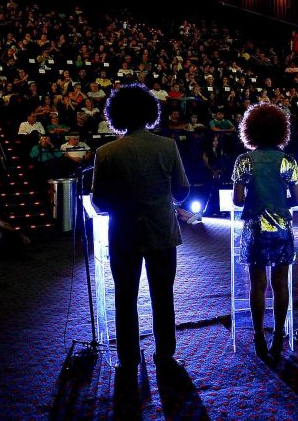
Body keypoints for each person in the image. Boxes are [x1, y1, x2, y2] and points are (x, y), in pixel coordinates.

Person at [91, 83, 190, 376]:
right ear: (150, 111)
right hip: (162, 231)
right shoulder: (167, 146)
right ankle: (165, 353)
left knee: (124, 296)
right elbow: (182, 191)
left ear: (116, 114)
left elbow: (99, 200)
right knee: (163, 295)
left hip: (123, 234)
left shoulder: (106, 152)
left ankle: (129, 357)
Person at [231, 103, 298, 360]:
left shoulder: (244, 161)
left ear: (251, 131)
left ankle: (259, 335)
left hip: (254, 228)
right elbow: (297, 199)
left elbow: (238, 201)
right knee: (280, 284)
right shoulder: (288, 161)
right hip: (282, 227)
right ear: (280, 130)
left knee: (257, 285)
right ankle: (279, 335)